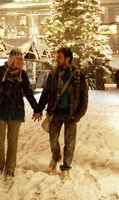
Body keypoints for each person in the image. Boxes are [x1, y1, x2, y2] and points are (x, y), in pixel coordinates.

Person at [0, 48, 41, 178]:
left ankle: (10, 167)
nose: (20, 62)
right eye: (18, 59)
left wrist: (37, 109)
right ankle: (0, 164)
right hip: (0, 110)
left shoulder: (22, 75)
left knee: (13, 140)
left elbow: (28, 93)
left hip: (16, 110)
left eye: (21, 59)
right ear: (11, 59)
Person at [38, 47, 88, 180]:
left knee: (69, 143)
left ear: (68, 59)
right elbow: (46, 92)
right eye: (56, 57)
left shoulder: (78, 75)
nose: (56, 60)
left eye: (59, 57)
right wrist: (39, 108)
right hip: (56, 112)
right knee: (53, 139)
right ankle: (56, 156)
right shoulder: (53, 74)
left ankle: (66, 167)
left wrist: (77, 115)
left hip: (71, 114)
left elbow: (84, 98)